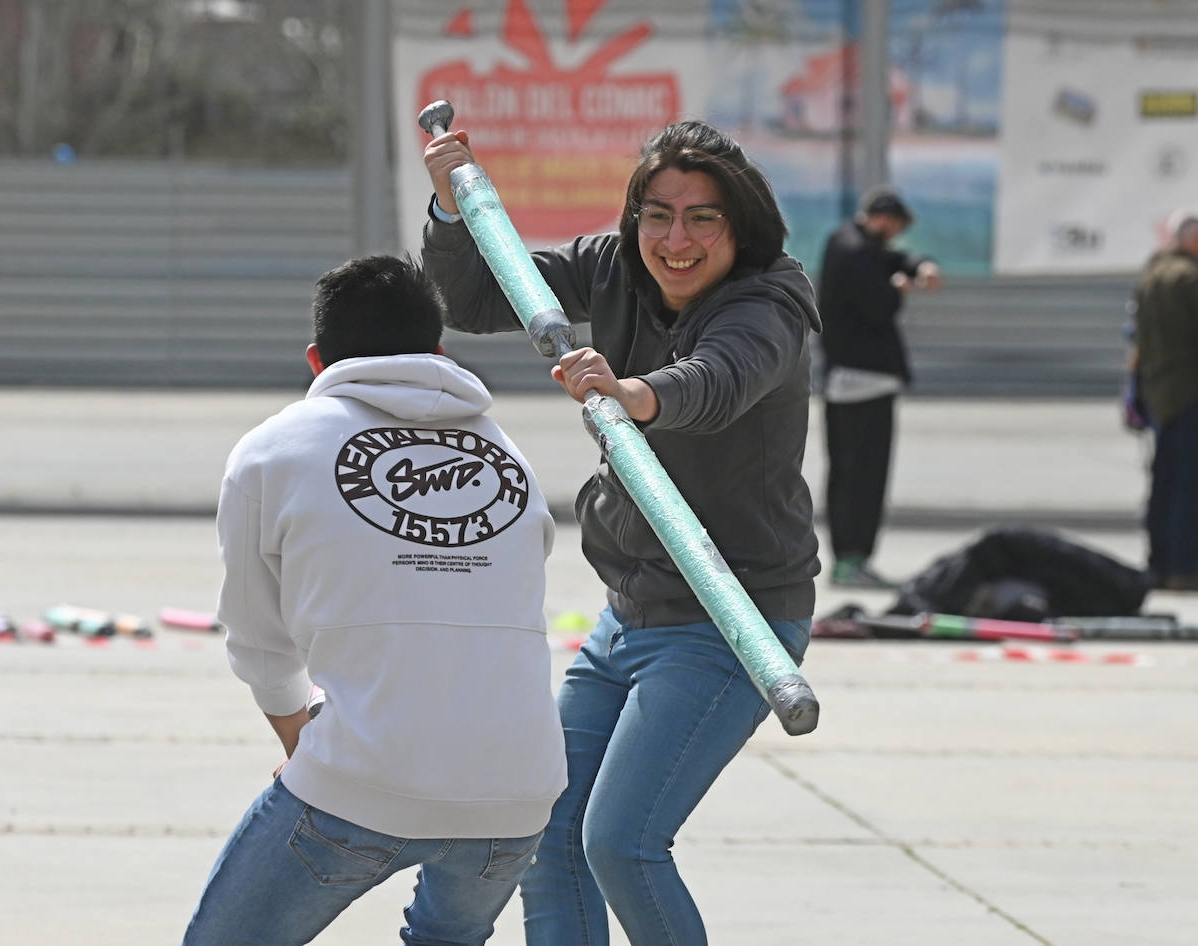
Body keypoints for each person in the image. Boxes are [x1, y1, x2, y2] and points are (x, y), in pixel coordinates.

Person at [421, 121, 819, 945]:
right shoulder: (612, 266)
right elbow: (476, 300)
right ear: (634, 217)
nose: (677, 240)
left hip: (730, 622)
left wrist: (634, 392)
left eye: (703, 218)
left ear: (738, 226)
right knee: (549, 834)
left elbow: (720, 380)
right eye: (658, 215)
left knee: (622, 843)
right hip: (628, 613)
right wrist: (454, 209)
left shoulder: (769, 298)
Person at [180, 255, 567, 946]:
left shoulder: (274, 450)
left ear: (315, 359)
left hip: (367, 778)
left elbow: (257, 639)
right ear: (440, 354)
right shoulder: (508, 455)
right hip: (517, 793)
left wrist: (301, 738)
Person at [815, 185, 942, 589]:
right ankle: (853, 558)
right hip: (862, 381)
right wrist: (897, 289)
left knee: (849, 472)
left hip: (853, 381)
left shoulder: (850, 242)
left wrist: (918, 264)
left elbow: (894, 257)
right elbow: (879, 305)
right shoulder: (856, 253)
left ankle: (850, 558)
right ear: (884, 220)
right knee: (863, 476)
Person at [1132, 208, 1198, 592]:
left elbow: (1137, 342)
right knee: (1192, 485)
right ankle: (1186, 566)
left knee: (1164, 483)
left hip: (1159, 395)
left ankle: (1159, 564)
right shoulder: (1192, 279)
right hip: (1192, 393)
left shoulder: (1151, 277)